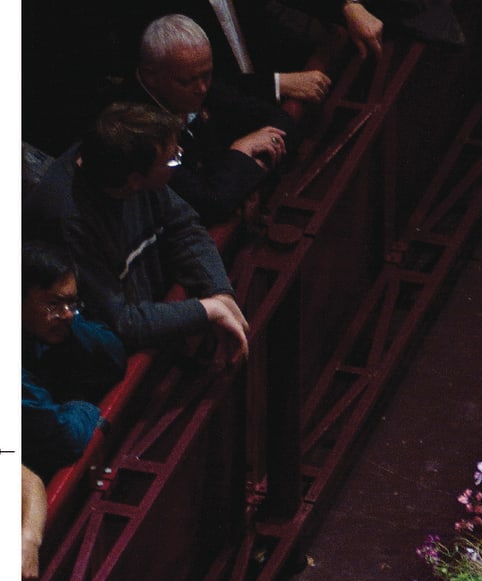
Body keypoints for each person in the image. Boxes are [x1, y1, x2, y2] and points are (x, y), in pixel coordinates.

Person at [23, 102, 251, 372]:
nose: (180, 158)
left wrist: (219, 292)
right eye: (172, 159)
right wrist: (207, 311)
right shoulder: (67, 218)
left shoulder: (127, 169)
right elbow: (121, 322)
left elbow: (184, 227)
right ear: (134, 181)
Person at [124, 14, 298, 224]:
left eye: (207, 75)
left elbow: (281, 120)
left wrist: (243, 184)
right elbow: (208, 205)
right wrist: (240, 151)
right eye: (187, 81)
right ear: (151, 76)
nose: (202, 88)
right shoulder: (135, 127)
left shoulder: (195, 78)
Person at [21, 241, 128, 484]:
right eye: (53, 304)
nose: (67, 313)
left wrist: (69, 322)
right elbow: (64, 438)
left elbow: (114, 358)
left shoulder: (52, 324)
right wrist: (84, 408)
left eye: (71, 303)